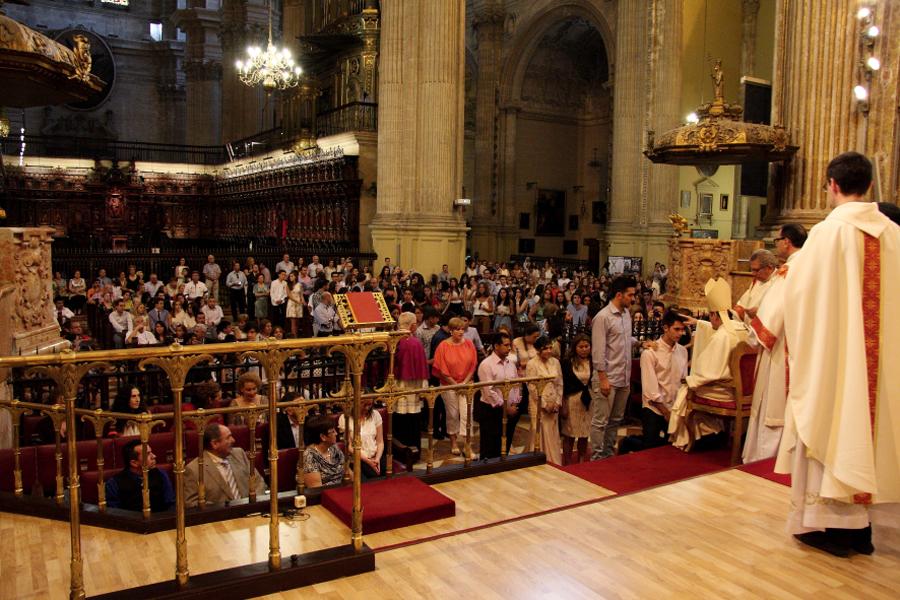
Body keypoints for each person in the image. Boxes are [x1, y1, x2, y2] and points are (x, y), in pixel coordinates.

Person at [776, 152, 899, 557]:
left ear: (831, 184)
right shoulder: (893, 234)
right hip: (881, 367)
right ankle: (862, 531)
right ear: (868, 185)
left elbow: (800, 297)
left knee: (833, 426)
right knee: (869, 433)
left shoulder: (828, 234)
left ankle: (836, 529)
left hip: (838, 362)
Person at [742, 223, 807, 463]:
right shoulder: (813, 266)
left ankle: (765, 460)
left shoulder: (788, 271)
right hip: (803, 347)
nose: (777, 243)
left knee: (774, 405)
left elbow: (771, 318)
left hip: (782, 350)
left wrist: (752, 334)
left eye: (778, 239)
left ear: (787, 242)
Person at [668, 278, 750, 450]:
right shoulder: (742, 329)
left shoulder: (721, 336)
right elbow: (718, 328)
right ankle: (712, 434)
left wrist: (692, 379)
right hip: (744, 392)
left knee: (687, 389)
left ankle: (687, 441)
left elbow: (707, 372)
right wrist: (699, 323)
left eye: (709, 315)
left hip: (725, 392)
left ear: (714, 315)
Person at [590, 276, 637, 460]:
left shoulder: (626, 314)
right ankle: (596, 457)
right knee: (600, 421)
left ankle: (608, 455)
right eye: (630, 295)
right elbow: (598, 351)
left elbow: (622, 341)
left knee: (615, 421)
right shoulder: (603, 317)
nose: (633, 299)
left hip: (623, 377)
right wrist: (602, 378)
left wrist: (640, 343)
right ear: (619, 295)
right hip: (607, 377)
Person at [184, 423, 266, 507]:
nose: (233, 440)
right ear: (215, 444)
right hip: (220, 517)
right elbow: (191, 503)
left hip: (251, 512)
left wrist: (254, 504)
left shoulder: (239, 454)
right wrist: (221, 509)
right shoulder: (193, 470)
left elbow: (258, 482)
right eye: (228, 437)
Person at [639, 311, 688, 450]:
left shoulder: (683, 351)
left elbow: (683, 382)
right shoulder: (650, 353)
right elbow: (650, 390)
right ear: (666, 328)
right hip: (654, 409)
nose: (680, 333)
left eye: (682, 329)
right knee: (650, 449)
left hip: (674, 409)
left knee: (671, 451)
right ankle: (628, 443)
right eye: (676, 329)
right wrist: (666, 412)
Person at [432, 316, 477, 456]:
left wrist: (464, 383)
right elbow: (442, 370)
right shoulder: (443, 346)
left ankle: (467, 445)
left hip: (466, 384)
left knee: (467, 413)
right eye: (457, 329)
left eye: (462, 329)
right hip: (449, 385)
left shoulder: (469, 343)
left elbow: (473, 365)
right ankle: (453, 442)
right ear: (451, 331)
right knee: (452, 414)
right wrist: (456, 385)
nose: (461, 332)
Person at [476, 331, 521, 460]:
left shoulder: (511, 363)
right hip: (492, 411)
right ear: (496, 346)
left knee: (505, 446)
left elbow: (516, 384)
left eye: (509, 345)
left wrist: (515, 403)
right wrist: (505, 406)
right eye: (506, 345)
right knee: (490, 447)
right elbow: (489, 391)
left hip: (510, 409)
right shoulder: (486, 364)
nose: (509, 348)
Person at [105, 439, 175, 512]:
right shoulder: (114, 483)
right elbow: (114, 513)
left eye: (151, 452)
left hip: (160, 520)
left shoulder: (161, 474)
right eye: (148, 454)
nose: (154, 456)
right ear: (134, 463)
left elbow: (171, 504)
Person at [393, 312, 429, 449]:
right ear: (413, 326)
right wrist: (424, 389)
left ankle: (398, 450)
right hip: (412, 387)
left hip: (396, 386)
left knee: (398, 417)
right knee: (412, 419)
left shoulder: (392, 340)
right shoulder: (415, 343)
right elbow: (421, 367)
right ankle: (413, 451)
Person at [526, 336, 563, 464]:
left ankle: (554, 460)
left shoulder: (555, 362)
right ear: (538, 350)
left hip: (553, 402)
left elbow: (560, 383)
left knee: (552, 432)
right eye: (545, 348)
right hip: (538, 403)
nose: (548, 351)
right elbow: (531, 387)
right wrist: (544, 404)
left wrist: (557, 402)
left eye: (550, 348)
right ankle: (538, 460)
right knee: (540, 430)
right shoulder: (532, 364)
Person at [560, 333, 593, 464]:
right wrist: (562, 402)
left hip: (589, 400)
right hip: (572, 400)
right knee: (569, 434)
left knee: (585, 433)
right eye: (581, 346)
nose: (584, 349)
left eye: (587, 346)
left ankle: (581, 460)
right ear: (575, 347)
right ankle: (567, 462)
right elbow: (561, 384)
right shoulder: (567, 363)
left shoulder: (593, 361)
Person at [338, 397, 385, 480]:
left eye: (370, 404)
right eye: (364, 404)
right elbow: (348, 446)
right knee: (368, 480)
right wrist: (368, 461)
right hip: (357, 458)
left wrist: (377, 459)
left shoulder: (375, 414)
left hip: (376, 456)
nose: (367, 407)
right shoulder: (345, 417)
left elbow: (380, 442)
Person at [733, 249, 777, 325]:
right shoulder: (757, 280)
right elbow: (743, 303)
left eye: (756, 270)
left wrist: (760, 312)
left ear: (769, 267)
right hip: (747, 327)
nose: (753, 274)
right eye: (752, 270)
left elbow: (779, 311)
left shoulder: (779, 282)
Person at [302, 414, 346, 488]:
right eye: (332, 431)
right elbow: (316, 489)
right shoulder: (309, 456)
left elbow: (348, 472)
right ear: (323, 437)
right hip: (324, 495)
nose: (336, 433)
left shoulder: (334, 447)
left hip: (341, 490)